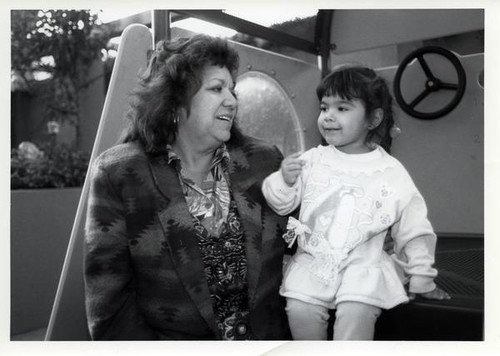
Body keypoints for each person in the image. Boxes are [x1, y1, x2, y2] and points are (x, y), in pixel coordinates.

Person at [84, 34, 290, 340]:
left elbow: (306, 243)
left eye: (232, 89)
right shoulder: (120, 174)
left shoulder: (265, 162)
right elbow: (109, 308)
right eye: (217, 88)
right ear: (175, 100)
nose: (232, 100)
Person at [261, 64, 450, 340]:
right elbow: (281, 204)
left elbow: (413, 228)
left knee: (356, 312)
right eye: (324, 108)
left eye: (342, 108)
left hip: (364, 269)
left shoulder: (390, 171)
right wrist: (284, 181)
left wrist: (422, 278)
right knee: (300, 309)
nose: (328, 116)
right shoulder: (313, 159)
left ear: (373, 119)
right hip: (313, 263)